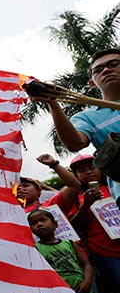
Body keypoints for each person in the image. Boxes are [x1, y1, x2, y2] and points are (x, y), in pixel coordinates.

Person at [34, 48, 120, 204]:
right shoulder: (87, 118)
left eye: (114, 64)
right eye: (98, 69)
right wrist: (53, 103)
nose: (106, 70)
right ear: (92, 82)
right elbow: (75, 143)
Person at [68, 153, 120, 293]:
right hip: (103, 252)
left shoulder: (114, 187)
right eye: (81, 170)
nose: (88, 172)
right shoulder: (79, 197)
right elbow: (73, 227)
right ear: (76, 176)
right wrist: (86, 205)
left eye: (92, 167)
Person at [16, 154, 81, 213]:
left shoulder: (51, 206)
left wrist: (53, 164)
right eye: (17, 188)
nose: (20, 189)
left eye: (25, 185)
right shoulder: (11, 215)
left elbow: (74, 186)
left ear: (39, 191)